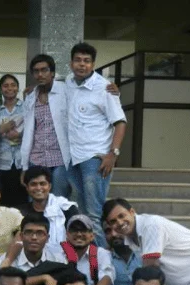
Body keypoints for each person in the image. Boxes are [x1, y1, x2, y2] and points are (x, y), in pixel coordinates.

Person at [66, 43, 126, 247]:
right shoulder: (69, 83)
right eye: (78, 60)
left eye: (86, 61)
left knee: (94, 213)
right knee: (82, 212)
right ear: (71, 63)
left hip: (95, 158)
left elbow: (120, 122)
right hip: (73, 157)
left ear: (93, 64)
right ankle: (88, 257)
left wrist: (113, 154)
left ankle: (103, 258)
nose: (81, 64)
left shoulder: (104, 88)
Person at [20, 54, 71, 198]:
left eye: (44, 70)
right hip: (37, 159)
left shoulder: (66, 91)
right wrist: (24, 166)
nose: (40, 74)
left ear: (52, 72)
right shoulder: (30, 98)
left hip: (61, 158)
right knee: (36, 201)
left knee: (59, 201)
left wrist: (110, 88)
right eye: (36, 71)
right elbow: (28, 133)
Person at [1, 214, 68, 285]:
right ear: (21, 236)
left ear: (47, 238)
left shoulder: (58, 258)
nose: (34, 237)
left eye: (40, 233)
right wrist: (43, 278)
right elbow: (3, 284)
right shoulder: (9, 259)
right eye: (29, 232)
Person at [60, 214, 115, 285]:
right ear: (67, 235)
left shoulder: (101, 253)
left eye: (83, 230)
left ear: (92, 235)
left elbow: (107, 276)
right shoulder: (59, 254)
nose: (79, 234)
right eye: (74, 230)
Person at [18, 166, 79, 246]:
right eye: (33, 184)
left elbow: (78, 238)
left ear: (49, 186)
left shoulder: (66, 209)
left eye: (42, 184)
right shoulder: (20, 213)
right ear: (27, 188)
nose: (38, 188)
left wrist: (67, 253)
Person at [0, 74, 27, 207]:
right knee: (4, 200)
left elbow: (34, 130)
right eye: (5, 86)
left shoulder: (26, 107)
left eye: (13, 85)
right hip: (3, 161)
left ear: (18, 88)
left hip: (22, 161)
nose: (9, 88)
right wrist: (1, 130)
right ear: (0, 89)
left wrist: (21, 135)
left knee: (22, 200)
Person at [97, 220, 141, 285]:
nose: (113, 234)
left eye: (118, 229)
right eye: (108, 231)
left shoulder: (143, 256)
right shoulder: (104, 260)